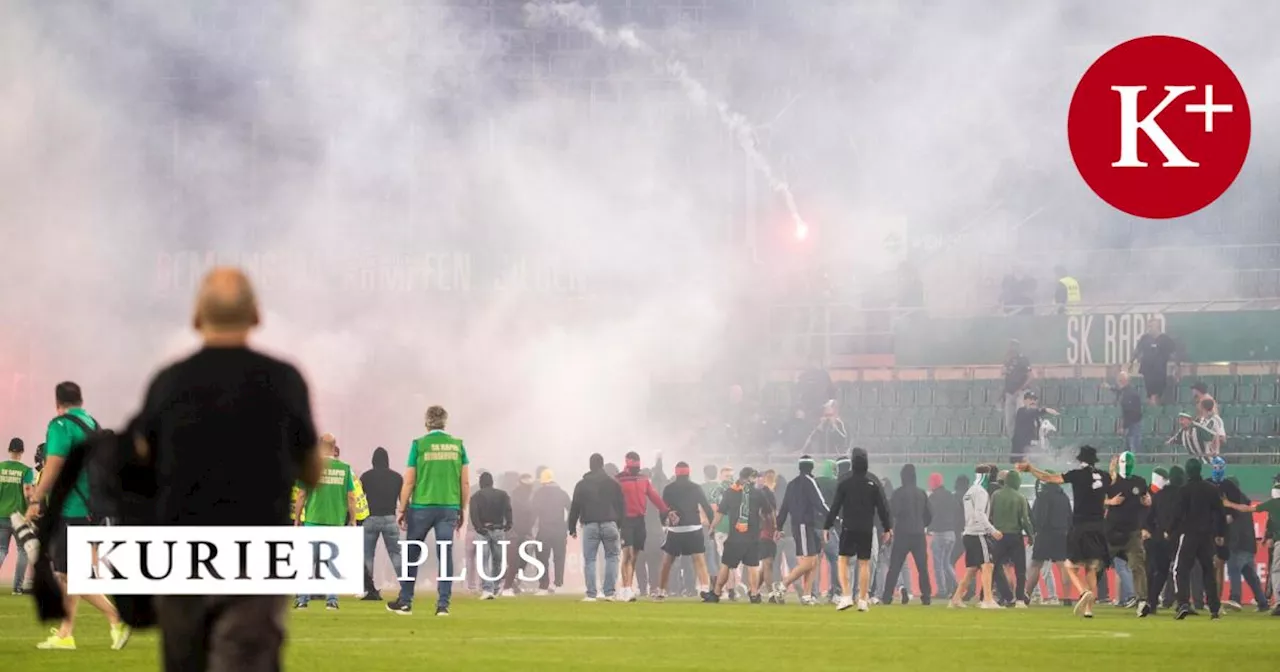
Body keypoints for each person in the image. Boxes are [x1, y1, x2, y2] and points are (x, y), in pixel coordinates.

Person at [127, 267, 319, 668]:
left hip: (181, 558)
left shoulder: (168, 383)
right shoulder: (284, 380)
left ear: (197, 316)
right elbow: (312, 471)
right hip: (256, 558)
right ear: (256, 315)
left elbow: (141, 468)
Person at [25, 381, 130, 651]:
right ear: (81, 400)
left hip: (73, 508)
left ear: (57, 403)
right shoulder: (93, 424)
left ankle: (116, 618)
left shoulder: (60, 425)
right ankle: (65, 634)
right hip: (95, 509)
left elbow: (54, 465)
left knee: (69, 575)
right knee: (70, 574)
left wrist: (36, 499)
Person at [388, 405, 469, 617]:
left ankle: (405, 601)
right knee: (445, 554)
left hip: (421, 506)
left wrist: (402, 508)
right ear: (445, 422)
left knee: (412, 554)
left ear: (426, 423)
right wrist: (462, 508)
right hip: (448, 506)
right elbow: (465, 482)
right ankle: (443, 605)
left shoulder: (419, 445)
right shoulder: (458, 445)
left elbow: (409, 480)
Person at [1017, 445, 1111, 618]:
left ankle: (1083, 592)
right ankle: (1089, 609)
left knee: (1070, 565)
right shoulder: (1105, 476)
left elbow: (1048, 477)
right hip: (1099, 527)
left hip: (1081, 526)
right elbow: (1110, 493)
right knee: (1091, 568)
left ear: (1080, 459)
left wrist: (1031, 468)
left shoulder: (1076, 475)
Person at [294, 434, 357, 610]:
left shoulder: (312, 467)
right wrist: (353, 519)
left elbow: (301, 494)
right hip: (335, 521)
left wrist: (297, 519)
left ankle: (302, 600)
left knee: (307, 563)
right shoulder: (345, 469)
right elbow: (351, 497)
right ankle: (332, 601)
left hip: (314, 520)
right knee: (332, 563)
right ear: (334, 446)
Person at [825, 448, 892, 612]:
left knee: (843, 560)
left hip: (848, 527)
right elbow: (883, 506)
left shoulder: (844, 481)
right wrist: (888, 527)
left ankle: (846, 595)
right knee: (864, 563)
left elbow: (835, 506)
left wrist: (827, 525)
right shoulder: (873, 481)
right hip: (867, 528)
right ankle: (863, 598)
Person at [706, 467, 771, 604]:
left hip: (735, 536)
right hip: (752, 536)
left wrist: (712, 527)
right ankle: (754, 594)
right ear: (751, 478)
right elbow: (767, 513)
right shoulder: (758, 494)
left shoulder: (730, 492)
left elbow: (720, 512)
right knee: (752, 566)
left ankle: (716, 593)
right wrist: (772, 527)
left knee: (726, 565)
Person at [1169, 458, 1225, 620]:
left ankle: (1183, 603)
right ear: (1200, 470)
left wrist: (1170, 530)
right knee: (1208, 571)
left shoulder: (1184, 490)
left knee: (1181, 570)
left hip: (1188, 535)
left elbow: (1177, 514)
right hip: (1206, 536)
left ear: (1187, 471)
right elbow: (1220, 513)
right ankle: (1214, 608)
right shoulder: (1211, 489)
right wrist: (1220, 534)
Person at [568, 453, 625, 602]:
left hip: (590, 524)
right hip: (610, 523)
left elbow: (575, 507)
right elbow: (621, 507)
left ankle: (591, 594)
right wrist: (620, 526)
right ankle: (609, 593)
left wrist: (572, 527)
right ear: (602, 465)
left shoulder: (582, 484)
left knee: (590, 559)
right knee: (612, 557)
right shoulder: (613, 484)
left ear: (590, 465)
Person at [615, 452, 669, 603]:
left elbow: (654, 496)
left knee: (635, 556)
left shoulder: (643, 480)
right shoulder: (619, 480)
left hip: (640, 521)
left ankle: (628, 588)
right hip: (626, 521)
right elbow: (613, 499)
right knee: (627, 555)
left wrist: (665, 510)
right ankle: (626, 589)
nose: (635, 466)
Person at [656, 461, 714, 601]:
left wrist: (664, 523)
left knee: (667, 562)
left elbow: (663, 509)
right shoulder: (696, 488)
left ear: (676, 473)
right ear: (689, 473)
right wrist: (712, 526)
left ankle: (661, 591)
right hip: (694, 528)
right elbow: (707, 507)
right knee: (699, 560)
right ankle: (705, 589)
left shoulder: (669, 489)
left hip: (675, 530)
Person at [776, 455, 829, 605]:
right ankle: (782, 585)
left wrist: (779, 526)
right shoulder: (810, 481)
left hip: (798, 525)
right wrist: (834, 518)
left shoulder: (792, 484)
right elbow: (820, 503)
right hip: (804, 525)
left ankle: (806, 595)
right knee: (809, 562)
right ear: (811, 467)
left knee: (814, 561)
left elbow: (784, 506)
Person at [1104, 451, 1150, 616]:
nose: (1126, 466)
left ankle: (1142, 600)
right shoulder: (1111, 481)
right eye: (1124, 463)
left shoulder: (1140, 482)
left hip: (1132, 532)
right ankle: (1086, 594)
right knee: (1097, 564)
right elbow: (1097, 499)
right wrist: (1110, 502)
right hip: (1111, 531)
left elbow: (1146, 500)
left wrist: (1147, 501)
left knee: (1137, 565)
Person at [951, 464, 1002, 610]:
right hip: (978, 533)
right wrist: (992, 531)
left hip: (969, 533)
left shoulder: (969, 491)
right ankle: (988, 599)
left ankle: (956, 598)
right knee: (987, 565)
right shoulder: (981, 492)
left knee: (972, 569)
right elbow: (980, 514)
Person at [880, 464, 932, 605]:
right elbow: (929, 515)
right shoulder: (922, 493)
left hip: (903, 533)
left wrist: (889, 528)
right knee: (922, 568)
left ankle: (887, 597)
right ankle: (926, 597)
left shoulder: (898, 493)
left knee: (895, 567)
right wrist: (922, 525)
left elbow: (892, 512)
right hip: (919, 534)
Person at [359, 446, 403, 601]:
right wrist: (403, 517)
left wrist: (357, 519)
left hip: (370, 518)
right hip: (390, 518)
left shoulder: (366, 477)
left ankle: (369, 589)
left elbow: (359, 499)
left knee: (367, 555)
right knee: (396, 554)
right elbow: (403, 501)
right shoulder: (397, 478)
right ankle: (406, 587)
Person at [1233, 474, 1280, 616]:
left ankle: (1278, 603)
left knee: (1276, 571)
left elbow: (1248, 509)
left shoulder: (1273, 504)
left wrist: (1229, 504)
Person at [989, 467, 1033, 607]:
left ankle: (998, 596)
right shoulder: (1020, 497)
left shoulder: (996, 495)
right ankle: (1020, 599)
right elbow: (1025, 520)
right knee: (1020, 570)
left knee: (993, 567)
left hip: (998, 536)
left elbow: (990, 515)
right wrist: (1031, 535)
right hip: (1015, 536)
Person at [1027, 471, 1071, 606]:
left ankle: (1027, 596)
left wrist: (1034, 532)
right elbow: (1070, 516)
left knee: (1035, 565)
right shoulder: (1064, 497)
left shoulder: (1042, 496)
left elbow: (1035, 517)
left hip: (1044, 534)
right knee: (1062, 565)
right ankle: (1067, 598)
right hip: (1061, 534)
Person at [1144, 466, 1183, 614]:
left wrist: (1148, 530)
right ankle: (1181, 602)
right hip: (1177, 537)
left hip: (1158, 537)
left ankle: (1151, 601)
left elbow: (1150, 517)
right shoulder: (1182, 495)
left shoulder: (1159, 496)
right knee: (1180, 571)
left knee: (1159, 571)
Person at [469, 471, 512, 599]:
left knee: (483, 560)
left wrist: (478, 527)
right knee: (498, 560)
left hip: (483, 530)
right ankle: (495, 586)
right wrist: (508, 524)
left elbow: (474, 514)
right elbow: (508, 510)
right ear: (492, 482)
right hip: (499, 529)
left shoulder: (476, 496)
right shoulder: (503, 495)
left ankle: (487, 589)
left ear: (481, 483)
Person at [0, 438, 34, 595]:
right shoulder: (26, 471)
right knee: (22, 550)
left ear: (9, 450)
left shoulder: (0, 468)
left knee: (1, 549)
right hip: (19, 517)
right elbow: (27, 492)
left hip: (1, 515)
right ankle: (17, 588)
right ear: (21, 452)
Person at [531, 469, 571, 595]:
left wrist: (531, 528)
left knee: (542, 558)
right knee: (559, 558)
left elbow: (533, 512)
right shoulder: (562, 493)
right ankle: (558, 584)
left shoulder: (539, 493)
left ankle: (543, 585)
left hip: (544, 531)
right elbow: (572, 509)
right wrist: (567, 525)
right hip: (559, 530)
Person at [927, 472, 961, 600]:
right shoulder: (950, 496)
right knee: (947, 563)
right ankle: (957, 584)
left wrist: (929, 528)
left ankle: (942, 590)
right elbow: (958, 512)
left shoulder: (933, 498)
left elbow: (930, 515)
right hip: (952, 534)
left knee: (938, 565)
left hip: (939, 534)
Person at [501, 474, 536, 596]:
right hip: (513, 532)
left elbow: (532, 516)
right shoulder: (513, 497)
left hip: (524, 533)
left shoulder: (530, 498)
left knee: (522, 560)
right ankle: (507, 586)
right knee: (514, 561)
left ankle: (512, 581)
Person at [1131, 319, 1176, 406]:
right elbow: (1137, 351)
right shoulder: (1145, 338)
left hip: (1160, 371)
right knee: (1149, 394)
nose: (1150, 328)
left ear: (1157, 326)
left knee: (1158, 394)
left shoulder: (1165, 339)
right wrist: (1131, 361)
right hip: (1147, 371)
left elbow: (1173, 352)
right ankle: (1151, 412)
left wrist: (1176, 366)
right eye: (1149, 326)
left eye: (1152, 326)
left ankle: (1157, 411)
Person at [1011, 391, 1059, 464]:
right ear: (1024, 401)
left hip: (1032, 449)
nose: (1032, 401)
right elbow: (1031, 412)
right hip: (1021, 450)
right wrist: (1045, 410)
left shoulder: (1037, 417)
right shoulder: (1021, 411)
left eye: (1034, 399)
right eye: (1030, 399)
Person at [755, 470, 781, 601]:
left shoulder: (768, 493)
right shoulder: (757, 494)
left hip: (768, 531)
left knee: (767, 563)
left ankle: (753, 590)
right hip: (762, 532)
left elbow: (773, 512)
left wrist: (777, 528)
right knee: (767, 562)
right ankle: (771, 594)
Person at [1105, 371, 1144, 453]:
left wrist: (1123, 427)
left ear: (1122, 381)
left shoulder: (1128, 394)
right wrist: (1109, 388)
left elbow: (1128, 412)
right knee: (1129, 446)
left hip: (1133, 423)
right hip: (1133, 422)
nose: (1118, 383)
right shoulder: (1127, 391)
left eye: (1119, 381)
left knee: (1133, 446)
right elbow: (1119, 391)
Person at [1002, 340, 1033, 437]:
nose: (1011, 348)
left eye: (1014, 346)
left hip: (1021, 393)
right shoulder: (1007, 360)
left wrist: (1021, 389)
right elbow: (1003, 374)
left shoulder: (1023, 359)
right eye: (1010, 346)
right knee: (1009, 422)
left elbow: (1031, 376)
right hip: (1009, 394)